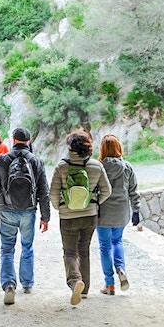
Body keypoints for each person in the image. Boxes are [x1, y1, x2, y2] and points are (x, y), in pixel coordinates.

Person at [0, 127, 50, 305]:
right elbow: (44, 191)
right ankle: (27, 283)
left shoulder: (3, 160)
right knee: (27, 246)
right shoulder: (35, 161)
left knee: (7, 249)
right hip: (29, 210)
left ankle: (9, 284)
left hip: (6, 209)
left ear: (13, 140)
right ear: (29, 141)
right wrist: (46, 216)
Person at [50, 129, 112, 305]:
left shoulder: (62, 166)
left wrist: (60, 207)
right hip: (89, 216)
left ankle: (75, 280)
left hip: (68, 216)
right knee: (84, 251)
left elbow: (53, 193)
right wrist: (94, 202)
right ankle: (84, 291)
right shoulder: (96, 166)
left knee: (70, 252)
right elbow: (107, 191)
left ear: (70, 147)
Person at [97, 133, 141, 295]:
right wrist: (136, 210)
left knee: (104, 246)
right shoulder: (127, 166)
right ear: (118, 148)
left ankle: (109, 284)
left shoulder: (98, 166)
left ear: (102, 149)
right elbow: (133, 191)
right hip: (122, 212)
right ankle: (121, 269)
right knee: (117, 241)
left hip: (103, 212)